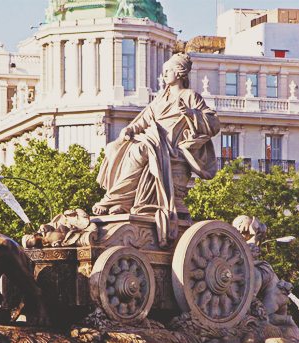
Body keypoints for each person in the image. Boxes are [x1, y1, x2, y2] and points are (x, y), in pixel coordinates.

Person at [93, 53, 220, 247]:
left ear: (179, 73)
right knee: (113, 148)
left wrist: (191, 113)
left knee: (140, 150)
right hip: (154, 140)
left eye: (168, 71)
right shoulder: (161, 98)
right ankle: (123, 202)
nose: (165, 74)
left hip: (170, 146)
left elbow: (213, 124)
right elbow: (144, 120)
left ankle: (113, 199)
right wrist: (130, 129)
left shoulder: (190, 96)